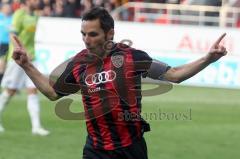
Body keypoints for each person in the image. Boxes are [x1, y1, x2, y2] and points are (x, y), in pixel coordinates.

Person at [11, 7, 227, 159]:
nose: (86, 39)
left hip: (130, 148)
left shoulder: (132, 57)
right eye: (83, 34)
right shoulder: (78, 63)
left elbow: (175, 75)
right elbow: (52, 93)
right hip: (95, 149)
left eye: (93, 34)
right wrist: (26, 65)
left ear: (110, 33)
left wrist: (208, 58)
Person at [0, 0, 49, 136]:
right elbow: (12, 35)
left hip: (31, 58)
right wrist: (19, 50)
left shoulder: (35, 15)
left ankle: (36, 127)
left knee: (33, 90)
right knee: (10, 91)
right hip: (17, 59)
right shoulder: (19, 14)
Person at [0, 2, 12, 84]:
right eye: (7, 8)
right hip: (2, 44)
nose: (9, 9)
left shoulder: (12, 18)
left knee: (7, 64)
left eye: (9, 8)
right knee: (2, 63)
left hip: (10, 44)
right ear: (2, 9)